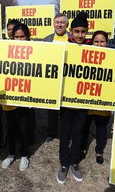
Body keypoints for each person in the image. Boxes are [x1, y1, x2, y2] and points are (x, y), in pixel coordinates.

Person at [57, 11, 91, 184]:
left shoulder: (93, 48)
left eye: (83, 31)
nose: (79, 35)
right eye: (76, 31)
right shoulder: (62, 47)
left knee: (78, 134)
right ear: (71, 31)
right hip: (65, 100)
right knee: (65, 133)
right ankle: (64, 163)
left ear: (87, 31)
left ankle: (74, 162)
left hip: (83, 101)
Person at [1, 23, 34, 171]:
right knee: (12, 129)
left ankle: (24, 155)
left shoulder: (35, 51)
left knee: (24, 129)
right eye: (16, 37)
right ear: (11, 37)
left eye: (22, 37)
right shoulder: (4, 50)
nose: (19, 40)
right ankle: (11, 154)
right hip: (9, 99)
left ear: (28, 37)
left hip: (26, 98)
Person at [80, 31, 112, 165]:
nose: (99, 44)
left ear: (107, 43)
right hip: (87, 103)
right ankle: (82, 148)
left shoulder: (114, 58)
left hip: (103, 103)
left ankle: (99, 151)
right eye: (96, 41)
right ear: (92, 42)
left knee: (101, 129)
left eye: (102, 41)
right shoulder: (84, 57)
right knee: (84, 128)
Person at [43, 13, 72, 142]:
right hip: (51, 79)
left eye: (62, 22)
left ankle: (66, 131)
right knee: (52, 109)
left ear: (67, 24)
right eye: (57, 22)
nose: (59, 25)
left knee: (66, 108)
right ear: (53, 24)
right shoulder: (46, 39)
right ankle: (52, 132)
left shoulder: (73, 39)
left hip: (68, 78)